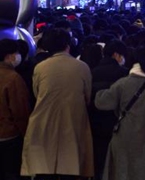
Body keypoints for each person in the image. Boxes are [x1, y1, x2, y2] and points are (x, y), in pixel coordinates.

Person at [22, 28, 94, 180]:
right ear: (68, 45)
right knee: (71, 164)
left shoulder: (41, 67)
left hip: (44, 119)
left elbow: (37, 93)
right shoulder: (82, 67)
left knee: (45, 165)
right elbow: (87, 96)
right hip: (73, 118)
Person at [95, 46, 145, 180]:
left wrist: (99, 91)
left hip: (123, 136)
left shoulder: (122, 83)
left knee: (122, 173)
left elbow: (102, 103)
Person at [90, 40, 129, 180]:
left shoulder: (92, 71)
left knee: (99, 158)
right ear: (116, 55)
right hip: (116, 122)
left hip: (96, 121)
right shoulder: (124, 73)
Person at [0, 39, 31, 180]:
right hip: (9, 136)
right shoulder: (13, 78)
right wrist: (26, 133)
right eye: (16, 53)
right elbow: (20, 111)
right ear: (9, 56)